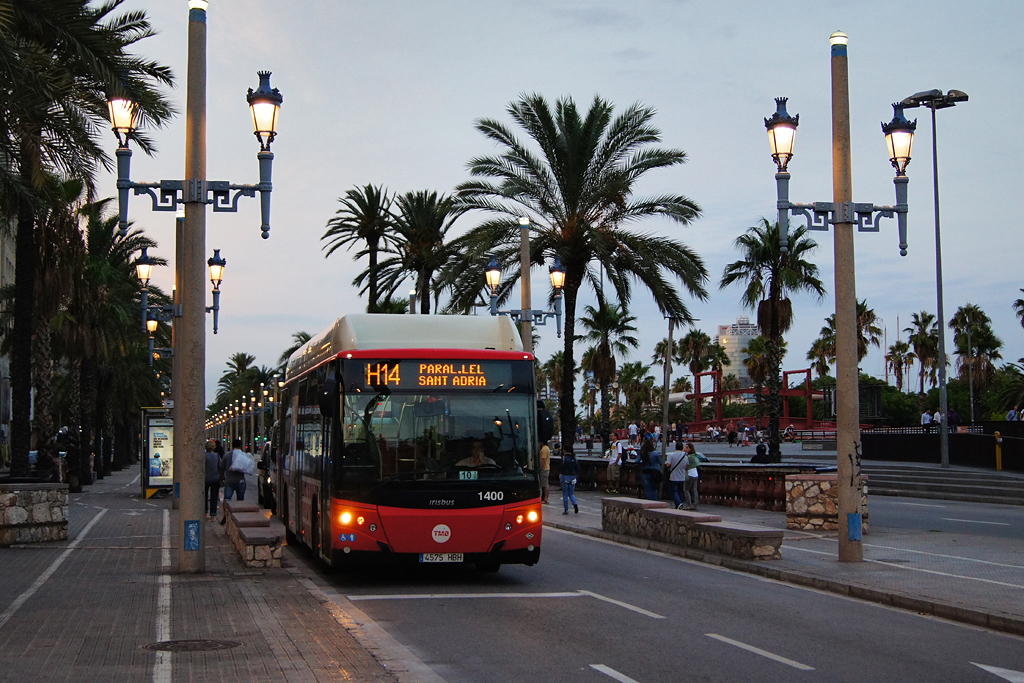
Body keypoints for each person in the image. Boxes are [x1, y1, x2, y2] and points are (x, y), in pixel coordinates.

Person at [665, 441, 688, 509]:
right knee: (681, 491)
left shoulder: (671, 455)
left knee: (675, 491)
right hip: (682, 476)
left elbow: (668, 464)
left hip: (674, 476)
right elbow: (687, 466)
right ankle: (679, 503)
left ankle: (678, 503)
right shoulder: (685, 456)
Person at [204, 439, 221, 520]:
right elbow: (220, 467)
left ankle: (205, 513)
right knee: (214, 497)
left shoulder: (203, 456)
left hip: (205, 478)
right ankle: (213, 515)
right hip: (215, 479)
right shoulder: (217, 456)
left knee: (204, 496)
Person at [560, 447, 579, 514]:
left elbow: (561, 467)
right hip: (573, 477)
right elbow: (577, 468)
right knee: (571, 493)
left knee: (565, 494)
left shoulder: (564, 458)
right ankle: (575, 504)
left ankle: (566, 510)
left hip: (565, 476)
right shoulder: (574, 458)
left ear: (565, 451)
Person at [683, 442, 701, 510]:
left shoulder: (688, 457)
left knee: (686, 489)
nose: (685, 449)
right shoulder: (694, 455)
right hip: (695, 473)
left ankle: (689, 504)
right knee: (694, 490)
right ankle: (695, 504)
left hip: (689, 473)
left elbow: (686, 466)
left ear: (690, 449)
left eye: (687, 447)